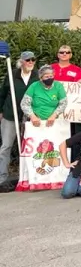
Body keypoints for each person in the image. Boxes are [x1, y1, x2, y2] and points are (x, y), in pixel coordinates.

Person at [0, 52, 38, 186]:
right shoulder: (12, 74)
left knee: (30, 147)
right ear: (21, 61)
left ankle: (29, 177)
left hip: (30, 118)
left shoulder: (37, 76)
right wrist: (1, 111)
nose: (31, 62)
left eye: (33, 59)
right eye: (28, 60)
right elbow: (3, 93)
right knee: (6, 146)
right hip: (10, 115)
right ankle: (2, 178)